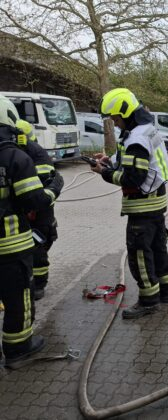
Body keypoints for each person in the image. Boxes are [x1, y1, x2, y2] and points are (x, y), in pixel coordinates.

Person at [92, 88, 168, 319]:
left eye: (116, 119)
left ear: (126, 114)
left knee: (140, 256)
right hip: (156, 203)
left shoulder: (136, 138)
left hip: (142, 207)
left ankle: (148, 301)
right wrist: (110, 161)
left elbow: (133, 179)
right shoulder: (145, 129)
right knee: (158, 249)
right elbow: (133, 160)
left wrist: (104, 173)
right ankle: (164, 294)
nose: (116, 124)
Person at [0, 95, 64, 367]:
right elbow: (34, 201)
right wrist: (54, 188)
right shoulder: (14, 157)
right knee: (18, 299)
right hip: (10, 246)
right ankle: (19, 348)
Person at [15, 119, 60, 301]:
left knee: (38, 245)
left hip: (40, 211)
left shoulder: (37, 153)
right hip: (26, 209)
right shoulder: (16, 153)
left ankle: (39, 284)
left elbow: (44, 185)